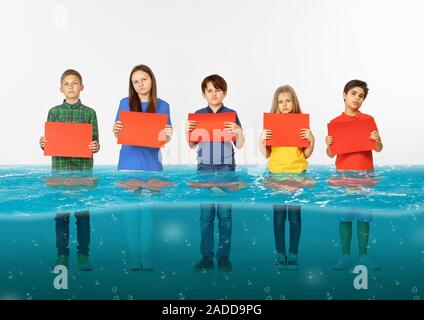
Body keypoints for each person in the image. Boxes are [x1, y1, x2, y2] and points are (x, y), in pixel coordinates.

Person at [113, 64, 173, 271]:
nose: (140, 84)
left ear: (151, 80)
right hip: (129, 165)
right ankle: (133, 256)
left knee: (147, 213)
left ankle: (145, 256)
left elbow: (165, 135)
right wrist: (115, 129)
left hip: (152, 167)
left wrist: (168, 133)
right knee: (131, 213)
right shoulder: (124, 103)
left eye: (143, 79)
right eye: (135, 81)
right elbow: (118, 132)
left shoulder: (163, 105)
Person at [39, 69, 100, 271]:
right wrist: (43, 143)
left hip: (83, 171)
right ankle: (62, 255)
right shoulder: (54, 112)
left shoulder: (90, 113)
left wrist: (95, 146)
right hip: (60, 171)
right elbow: (48, 142)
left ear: (81, 87)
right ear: (61, 88)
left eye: (75, 83)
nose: (71, 87)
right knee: (62, 215)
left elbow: (96, 143)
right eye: (67, 83)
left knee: (82, 216)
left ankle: (83, 254)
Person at [187, 74, 245, 272]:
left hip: (226, 169)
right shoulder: (198, 114)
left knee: (225, 216)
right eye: (209, 90)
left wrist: (238, 130)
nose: (214, 94)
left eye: (217, 90)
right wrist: (189, 130)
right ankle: (206, 257)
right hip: (204, 170)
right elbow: (192, 144)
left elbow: (240, 144)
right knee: (206, 217)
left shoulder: (231, 114)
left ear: (225, 92)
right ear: (204, 94)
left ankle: (223, 257)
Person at [325, 79, 383, 270]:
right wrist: (329, 144)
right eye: (354, 94)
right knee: (345, 215)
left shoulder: (368, 120)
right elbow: (331, 154)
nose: (357, 98)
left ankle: (364, 256)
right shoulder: (335, 123)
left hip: (366, 174)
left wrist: (377, 140)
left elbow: (379, 148)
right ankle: (345, 256)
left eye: (361, 96)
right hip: (343, 175)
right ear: (344, 94)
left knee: (364, 215)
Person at [259, 85, 315, 270]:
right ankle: (280, 253)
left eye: (287, 101)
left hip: (298, 175)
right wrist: (262, 139)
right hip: (276, 175)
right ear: (276, 104)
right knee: (279, 218)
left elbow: (306, 154)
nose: (284, 105)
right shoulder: (272, 126)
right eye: (280, 102)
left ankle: (293, 254)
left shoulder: (300, 124)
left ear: (294, 102)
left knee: (295, 217)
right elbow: (266, 154)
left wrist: (311, 139)